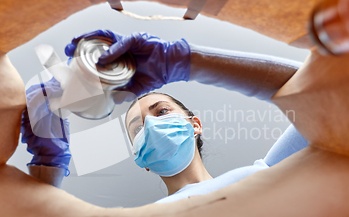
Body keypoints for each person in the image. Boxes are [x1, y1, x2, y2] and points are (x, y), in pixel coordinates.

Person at [21, 30, 308, 203]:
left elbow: (322, 91)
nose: (152, 124)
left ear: (194, 124)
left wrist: (180, 60)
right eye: (138, 129)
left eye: (162, 111)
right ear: (138, 156)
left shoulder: (266, 175)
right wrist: (49, 164)